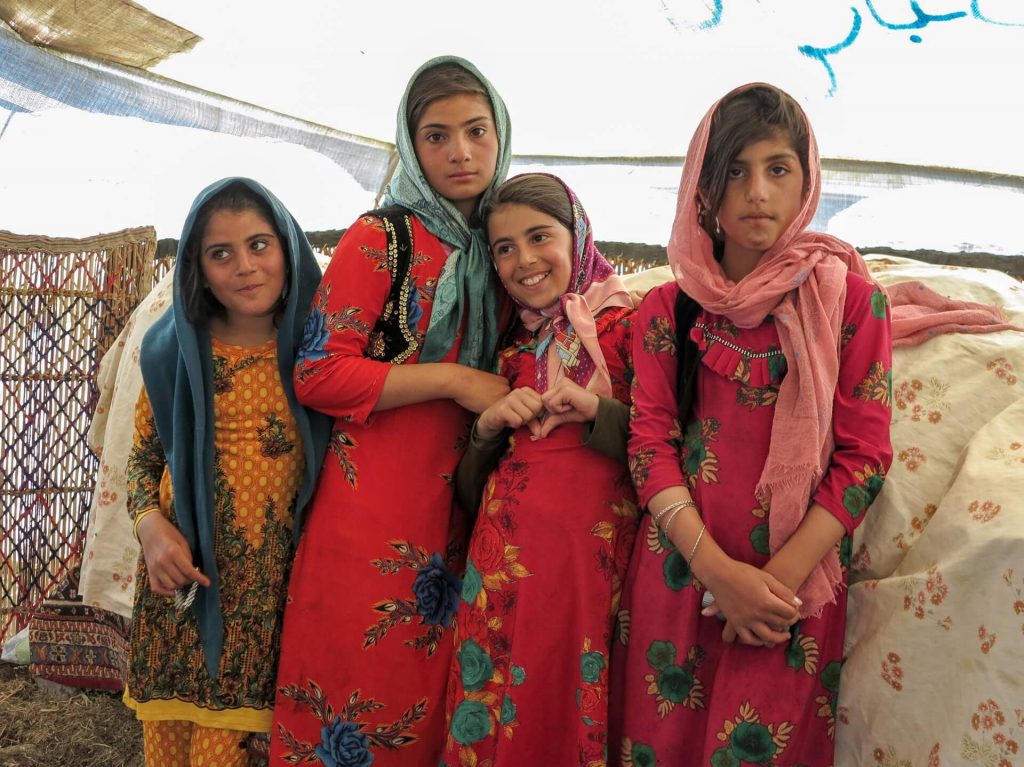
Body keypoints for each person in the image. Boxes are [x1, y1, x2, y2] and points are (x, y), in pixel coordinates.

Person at [608, 84, 895, 766]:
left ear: (807, 180)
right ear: (703, 187)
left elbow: (865, 459)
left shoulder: (850, 301)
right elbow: (650, 446)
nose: (757, 191)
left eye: (777, 168)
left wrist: (774, 585)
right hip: (678, 579)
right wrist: (716, 572)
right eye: (733, 170)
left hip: (787, 597)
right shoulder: (667, 311)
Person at [269, 56, 512, 766]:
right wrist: (456, 382)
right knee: (351, 688)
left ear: (501, 133)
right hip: (369, 511)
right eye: (436, 136)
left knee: (433, 701)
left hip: (464, 509)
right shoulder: (383, 237)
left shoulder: (508, 244)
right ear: (410, 146)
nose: (460, 152)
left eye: (476, 131)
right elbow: (318, 373)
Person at [124, 177, 330, 766]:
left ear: (288, 248)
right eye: (222, 253)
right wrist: (149, 527)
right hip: (176, 589)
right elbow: (143, 457)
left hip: (263, 609)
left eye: (259, 245)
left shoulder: (322, 356)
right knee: (166, 753)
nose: (245, 266)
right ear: (199, 267)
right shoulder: (173, 352)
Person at [439, 174, 639, 766]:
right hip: (496, 575)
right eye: (504, 248)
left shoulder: (632, 329)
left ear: (576, 236)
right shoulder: (512, 351)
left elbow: (670, 446)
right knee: (489, 717)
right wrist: (486, 429)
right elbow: (473, 493)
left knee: (561, 713)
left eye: (539, 237)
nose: (523, 260)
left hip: (588, 577)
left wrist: (597, 411)